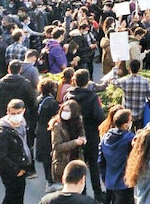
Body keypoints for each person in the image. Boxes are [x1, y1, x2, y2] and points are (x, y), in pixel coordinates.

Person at [64, 69, 105, 201]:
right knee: (93, 164)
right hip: (91, 134)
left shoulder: (68, 96)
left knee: (77, 164)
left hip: (73, 135)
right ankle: (98, 193)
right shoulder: (92, 97)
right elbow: (99, 117)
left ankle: (81, 194)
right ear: (88, 81)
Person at [0, 99, 32, 204]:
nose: (16, 116)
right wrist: (17, 171)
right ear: (8, 113)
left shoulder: (23, 124)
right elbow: (0, 157)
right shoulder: (3, 132)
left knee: (15, 197)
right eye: (13, 113)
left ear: (23, 111)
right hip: (11, 172)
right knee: (14, 198)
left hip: (21, 167)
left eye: (19, 113)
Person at [98, 109, 135, 204]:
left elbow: (101, 161)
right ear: (125, 125)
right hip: (125, 183)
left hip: (110, 181)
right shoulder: (130, 139)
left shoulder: (105, 138)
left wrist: (104, 178)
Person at [49, 100, 86, 187]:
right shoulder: (57, 126)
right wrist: (75, 142)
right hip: (62, 162)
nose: (64, 113)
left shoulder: (78, 122)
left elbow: (82, 134)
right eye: (63, 110)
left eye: (67, 111)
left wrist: (83, 139)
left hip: (77, 160)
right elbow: (57, 146)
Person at [110, 59, 150, 132]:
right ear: (139, 69)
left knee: (127, 134)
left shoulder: (125, 81)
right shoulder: (145, 81)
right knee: (139, 134)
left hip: (127, 115)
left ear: (129, 69)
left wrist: (116, 67)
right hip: (140, 114)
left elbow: (113, 81)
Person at [36, 78, 61, 193]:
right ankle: (52, 181)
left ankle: (49, 179)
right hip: (49, 130)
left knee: (46, 156)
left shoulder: (38, 100)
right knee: (51, 156)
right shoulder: (52, 102)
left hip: (40, 129)